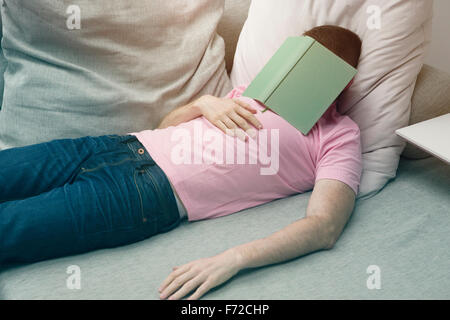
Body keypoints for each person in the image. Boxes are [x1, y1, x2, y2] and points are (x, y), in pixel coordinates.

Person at [0, 25, 362, 300]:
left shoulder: (337, 135)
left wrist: (233, 259)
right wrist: (202, 104)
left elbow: (324, 226)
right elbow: (164, 129)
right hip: (116, 144)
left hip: (141, 195)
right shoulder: (253, 92)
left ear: (338, 85)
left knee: (9, 227)